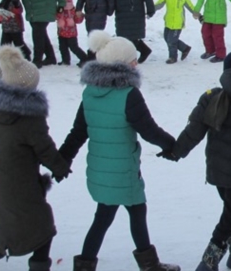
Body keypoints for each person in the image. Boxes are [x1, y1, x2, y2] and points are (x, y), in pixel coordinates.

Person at [58, 30, 180, 271]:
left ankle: (84, 264)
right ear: (122, 65)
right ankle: (150, 264)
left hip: (99, 171)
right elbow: (148, 130)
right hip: (123, 170)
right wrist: (172, 145)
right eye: (133, 60)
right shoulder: (129, 94)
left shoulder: (90, 92)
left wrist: (62, 159)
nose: (137, 63)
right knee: (136, 209)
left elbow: (78, 132)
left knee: (104, 214)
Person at [169, 51, 231, 270]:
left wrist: (176, 151)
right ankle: (210, 259)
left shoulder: (211, 98)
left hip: (216, 168)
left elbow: (194, 130)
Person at [0, 46, 70, 270]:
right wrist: (60, 167)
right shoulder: (30, 116)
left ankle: (2, 249)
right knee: (43, 229)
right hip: (22, 184)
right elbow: (44, 148)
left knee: (9, 228)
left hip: (0, 180)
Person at [154, 0, 196, 64]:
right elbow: (159, 4)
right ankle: (184, 48)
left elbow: (190, 6)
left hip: (178, 23)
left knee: (171, 41)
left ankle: (172, 57)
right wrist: (150, 9)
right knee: (166, 38)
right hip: (168, 21)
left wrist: (197, 14)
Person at [56, 0, 89, 67]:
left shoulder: (73, 10)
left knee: (74, 47)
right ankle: (65, 60)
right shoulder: (60, 10)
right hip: (61, 33)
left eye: (68, 2)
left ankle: (84, 58)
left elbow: (77, 20)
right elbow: (56, 17)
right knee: (62, 48)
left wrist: (80, 16)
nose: (67, 5)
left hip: (71, 34)